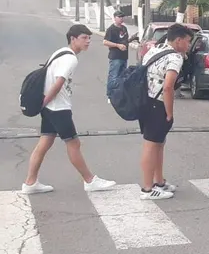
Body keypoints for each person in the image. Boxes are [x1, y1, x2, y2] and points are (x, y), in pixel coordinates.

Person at [21, 24, 117, 195]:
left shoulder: (60, 52)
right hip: (58, 108)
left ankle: (30, 183)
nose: (88, 41)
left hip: (51, 107)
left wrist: (44, 105)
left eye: (89, 38)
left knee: (45, 143)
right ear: (73, 39)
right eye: (84, 38)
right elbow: (58, 83)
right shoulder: (70, 58)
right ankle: (90, 180)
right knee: (73, 143)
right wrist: (45, 102)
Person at [138, 23, 193, 200]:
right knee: (151, 145)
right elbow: (168, 87)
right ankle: (147, 188)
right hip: (158, 104)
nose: (189, 45)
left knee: (158, 143)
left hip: (145, 101)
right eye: (188, 41)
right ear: (178, 40)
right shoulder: (175, 58)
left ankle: (159, 181)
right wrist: (169, 113)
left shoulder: (155, 49)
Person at [103, 10, 129, 102]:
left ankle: (119, 95)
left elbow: (125, 40)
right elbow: (105, 42)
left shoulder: (124, 29)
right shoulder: (111, 29)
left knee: (122, 77)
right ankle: (110, 95)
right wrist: (117, 45)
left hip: (124, 56)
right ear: (115, 18)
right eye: (119, 17)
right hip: (115, 57)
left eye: (122, 17)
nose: (121, 19)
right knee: (113, 76)